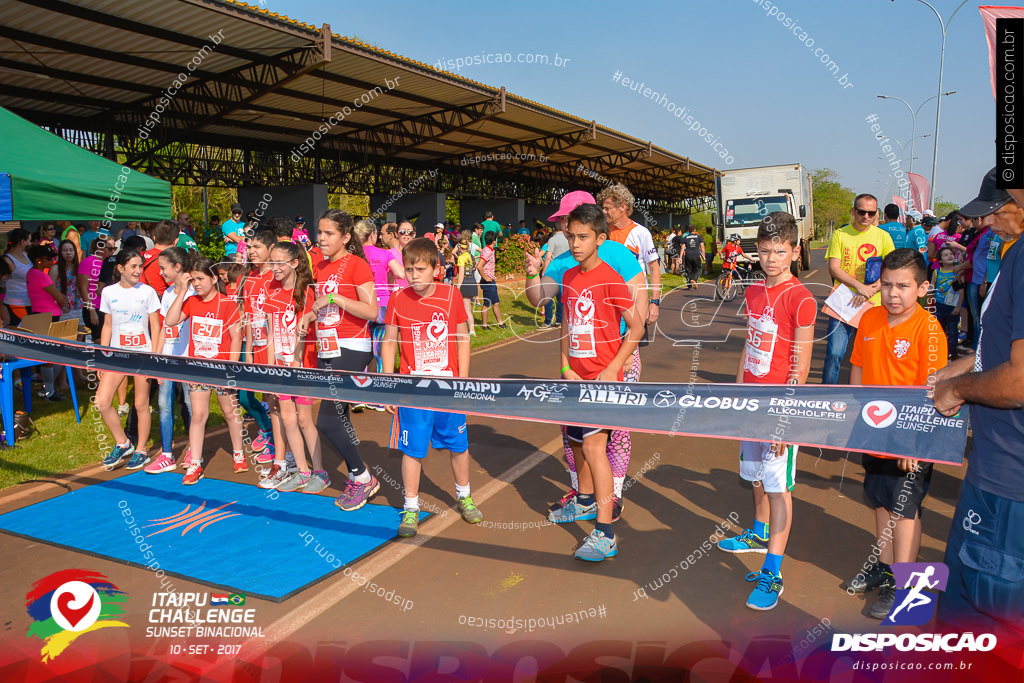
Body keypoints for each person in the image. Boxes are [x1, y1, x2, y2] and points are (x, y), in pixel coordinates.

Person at [932, 169, 1024, 635]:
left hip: (1009, 484)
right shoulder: (1015, 253)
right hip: (999, 470)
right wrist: (964, 365)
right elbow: (1003, 347)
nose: (989, 224)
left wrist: (958, 390)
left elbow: (1019, 381)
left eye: (996, 212)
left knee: (979, 622)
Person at [525, 190, 647, 522]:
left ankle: (610, 506)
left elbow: (638, 313)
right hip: (577, 367)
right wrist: (533, 271)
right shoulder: (566, 268)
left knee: (610, 439)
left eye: (577, 228)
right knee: (575, 436)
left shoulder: (617, 259)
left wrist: (614, 366)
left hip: (613, 358)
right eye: (565, 226)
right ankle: (585, 495)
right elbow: (545, 304)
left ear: (596, 231)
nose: (570, 234)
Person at [716, 212, 816, 611]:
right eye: (765, 250)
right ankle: (757, 534)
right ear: (755, 250)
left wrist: (783, 419)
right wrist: (738, 394)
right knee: (754, 475)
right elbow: (750, 344)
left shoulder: (801, 297)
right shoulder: (754, 292)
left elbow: (802, 365)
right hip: (751, 402)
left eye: (780, 251)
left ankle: (773, 573)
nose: (772, 258)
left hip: (780, 408)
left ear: (794, 251)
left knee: (778, 488)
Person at [846, 248, 946, 619]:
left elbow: (931, 392)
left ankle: (904, 584)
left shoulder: (929, 330)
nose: (893, 293)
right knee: (881, 502)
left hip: (910, 439)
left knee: (906, 511)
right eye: (886, 284)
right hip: (874, 435)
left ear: (922, 289)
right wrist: (857, 422)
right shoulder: (870, 319)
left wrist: (913, 442)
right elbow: (857, 369)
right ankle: (885, 569)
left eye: (903, 286)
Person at [379, 238, 483, 537]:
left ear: (436, 269)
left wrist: (462, 381)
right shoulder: (398, 298)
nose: (414, 275)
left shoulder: (450, 295)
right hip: (413, 390)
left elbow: (463, 339)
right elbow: (389, 342)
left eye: (421, 269)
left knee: (458, 445)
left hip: (448, 388)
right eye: (409, 269)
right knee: (411, 450)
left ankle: (464, 495)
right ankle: (410, 506)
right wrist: (388, 383)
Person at [557, 203, 642, 561]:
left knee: (595, 449)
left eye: (583, 237)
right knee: (576, 443)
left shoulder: (610, 278)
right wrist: (564, 367)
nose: (575, 244)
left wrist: (613, 368)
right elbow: (565, 324)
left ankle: (605, 533)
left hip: (603, 381)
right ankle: (586, 502)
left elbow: (637, 326)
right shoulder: (569, 278)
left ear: (600, 239)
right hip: (575, 379)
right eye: (571, 236)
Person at [301, 209, 381, 510]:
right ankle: (357, 474)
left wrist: (336, 299)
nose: (320, 238)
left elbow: (372, 312)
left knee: (328, 421)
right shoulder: (319, 266)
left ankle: (362, 477)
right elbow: (322, 306)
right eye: (319, 232)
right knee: (340, 417)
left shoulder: (357, 266)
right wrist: (310, 316)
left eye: (328, 233)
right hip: (327, 346)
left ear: (345, 237)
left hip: (352, 345)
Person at [163, 256, 246, 485]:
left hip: (222, 369)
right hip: (198, 369)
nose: (197, 284)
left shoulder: (227, 304)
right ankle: (195, 464)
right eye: (194, 280)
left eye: (200, 279)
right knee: (198, 416)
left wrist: (232, 368)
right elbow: (170, 321)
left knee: (230, 413)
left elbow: (237, 337)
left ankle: (238, 454)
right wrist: (182, 291)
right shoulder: (191, 302)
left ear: (213, 278)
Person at [260, 241, 331, 493]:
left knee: (303, 420)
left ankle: (320, 472)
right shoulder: (271, 290)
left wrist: (298, 362)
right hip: (280, 366)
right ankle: (302, 471)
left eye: (280, 263)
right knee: (287, 419)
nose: (275, 268)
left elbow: (311, 331)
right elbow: (270, 335)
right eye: (272, 263)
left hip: (302, 366)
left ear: (294, 263)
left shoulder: (308, 292)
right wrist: (269, 369)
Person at [97, 249, 161, 471]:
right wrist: (103, 357)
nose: (138, 271)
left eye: (140, 266)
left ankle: (142, 450)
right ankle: (123, 443)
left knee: (141, 404)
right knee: (102, 402)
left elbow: (156, 326)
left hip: (142, 355)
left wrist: (154, 357)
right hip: (116, 356)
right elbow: (107, 325)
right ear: (120, 268)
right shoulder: (108, 292)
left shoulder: (148, 292)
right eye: (133, 266)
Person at [821, 194, 896, 384]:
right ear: (854, 211)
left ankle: (869, 397)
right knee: (835, 353)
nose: (866, 216)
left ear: (876, 214)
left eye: (871, 213)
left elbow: (892, 269)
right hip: (843, 304)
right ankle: (826, 394)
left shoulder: (883, 237)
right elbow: (834, 268)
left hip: (873, 305)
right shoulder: (840, 234)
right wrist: (859, 287)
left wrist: (871, 290)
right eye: (862, 212)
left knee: (873, 356)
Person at [144, 247, 194, 474]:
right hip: (169, 358)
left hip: (189, 359)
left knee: (192, 405)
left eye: (163, 268)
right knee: (164, 405)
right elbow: (164, 327)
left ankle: (195, 447)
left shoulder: (195, 291)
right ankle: (166, 454)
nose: (160, 273)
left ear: (178, 267)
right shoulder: (166, 294)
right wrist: (158, 358)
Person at [239, 230, 279, 462]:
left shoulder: (276, 276)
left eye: (257, 247)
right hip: (254, 344)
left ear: (271, 248)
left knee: (273, 397)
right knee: (245, 397)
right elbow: (248, 314)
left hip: (273, 345)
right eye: (249, 247)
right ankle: (267, 429)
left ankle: (276, 443)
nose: (252, 251)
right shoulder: (250, 278)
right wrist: (249, 351)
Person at [597, 183, 662, 324]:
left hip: (635, 304)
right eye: (602, 208)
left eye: (607, 208)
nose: (603, 211)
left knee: (633, 344)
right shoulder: (601, 233)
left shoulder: (641, 233)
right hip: (606, 304)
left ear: (622, 207)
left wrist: (655, 302)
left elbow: (654, 267)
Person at [26, 244, 69, 400]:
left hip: (39, 313)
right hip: (49, 315)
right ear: (39, 260)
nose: (53, 261)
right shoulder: (41, 275)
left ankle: (49, 388)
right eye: (50, 258)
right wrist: (63, 300)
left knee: (47, 353)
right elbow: (59, 297)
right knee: (50, 354)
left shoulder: (31, 273)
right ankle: (49, 391)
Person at [932, 245, 967, 360]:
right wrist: (931, 304)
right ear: (940, 260)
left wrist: (958, 307)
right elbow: (932, 289)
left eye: (951, 254)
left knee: (953, 331)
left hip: (952, 306)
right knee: (939, 330)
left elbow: (961, 291)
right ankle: (939, 352)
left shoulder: (957, 272)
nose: (949, 256)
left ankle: (952, 353)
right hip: (939, 305)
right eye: (946, 255)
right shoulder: (937, 272)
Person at [79, 238, 112, 342]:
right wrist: (91, 310)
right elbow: (83, 288)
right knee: (99, 340)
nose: (112, 252)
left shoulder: (108, 263)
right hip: (94, 307)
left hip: (107, 308)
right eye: (110, 249)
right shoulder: (87, 262)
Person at [475, 231, 507, 329]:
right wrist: (485, 278)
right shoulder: (488, 251)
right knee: (487, 304)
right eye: (496, 239)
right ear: (494, 241)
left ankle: (500, 323)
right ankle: (484, 325)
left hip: (491, 280)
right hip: (488, 281)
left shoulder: (489, 250)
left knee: (496, 302)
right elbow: (479, 266)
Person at [3, 228, 32, 324]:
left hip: (28, 301)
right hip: (14, 303)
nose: (30, 243)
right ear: (22, 241)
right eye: (29, 240)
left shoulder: (26, 254)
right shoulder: (8, 260)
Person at [52, 239, 83, 320]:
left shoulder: (79, 268)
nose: (68, 253)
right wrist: (62, 304)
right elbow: (51, 290)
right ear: (60, 252)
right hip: (63, 308)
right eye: (65, 250)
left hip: (79, 307)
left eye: (71, 250)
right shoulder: (55, 268)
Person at [453, 239, 478, 336]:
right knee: (469, 308)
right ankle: (471, 329)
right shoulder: (471, 256)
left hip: (465, 283)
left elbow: (461, 274)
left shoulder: (461, 257)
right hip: (472, 281)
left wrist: (458, 287)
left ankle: (472, 330)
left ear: (459, 247)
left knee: (467, 309)